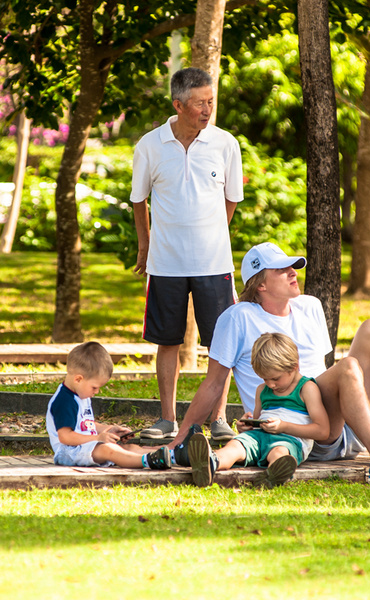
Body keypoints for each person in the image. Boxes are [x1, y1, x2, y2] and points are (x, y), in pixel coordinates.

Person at [171, 242, 370, 485]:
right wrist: (179, 441)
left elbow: (322, 373)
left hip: (335, 424)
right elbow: (213, 384)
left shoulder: (309, 306)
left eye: (293, 266)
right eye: (281, 269)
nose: (293, 273)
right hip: (295, 434)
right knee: (348, 367)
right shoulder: (238, 317)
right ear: (259, 285)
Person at [130, 67, 244, 442]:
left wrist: (212, 235)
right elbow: (139, 200)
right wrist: (145, 245)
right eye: (200, 103)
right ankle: (167, 419)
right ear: (178, 104)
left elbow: (231, 200)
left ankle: (220, 418)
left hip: (215, 264)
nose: (207, 109)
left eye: (211, 101)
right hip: (166, 264)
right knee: (168, 340)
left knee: (221, 341)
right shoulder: (149, 145)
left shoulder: (226, 144)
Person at [187, 332, 330, 488]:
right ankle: (210, 463)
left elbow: (322, 431)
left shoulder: (307, 389)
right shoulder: (262, 390)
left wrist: (283, 427)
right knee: (235, 446)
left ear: (295, 367)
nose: (270, 385)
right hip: (258, 437)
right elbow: (257, 422)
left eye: (275, 378)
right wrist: (245, 426)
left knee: (279, 452)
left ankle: (275, 473)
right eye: (264, 379)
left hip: (289, 440)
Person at [46, 342, 171, 470]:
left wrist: (109, 429)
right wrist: (97, 438)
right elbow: (65, 436)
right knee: (109, 449)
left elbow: (85, 424)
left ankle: (170, 455)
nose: (97, 392)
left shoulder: (81, 394)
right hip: (69, 452)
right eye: (94, 387)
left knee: (128, 448)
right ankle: (150, 461)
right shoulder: (64, 401)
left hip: (86, 446)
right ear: (78, 379)